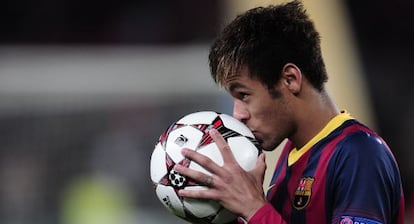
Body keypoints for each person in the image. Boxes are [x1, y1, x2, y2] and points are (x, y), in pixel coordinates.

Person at [173, 1, 405, 223]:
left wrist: (254, 208)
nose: (238, 115)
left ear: (290, 79)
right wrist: (225, 213)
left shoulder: (359, 153)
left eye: (243, 95)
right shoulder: (292, 154)